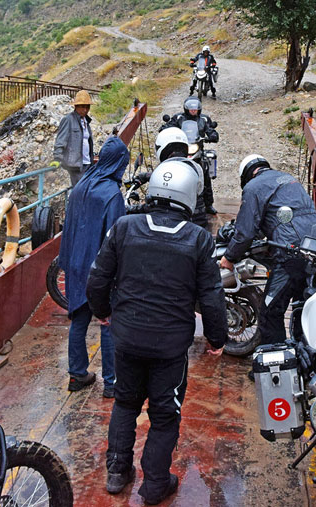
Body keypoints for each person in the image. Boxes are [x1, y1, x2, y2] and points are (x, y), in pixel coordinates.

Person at [87, 159, 227, 504]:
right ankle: (155, 485)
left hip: (127, 337)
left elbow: (98, 278)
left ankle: (117, 472)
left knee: (125, 402)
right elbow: (211, 295)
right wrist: (216, 338)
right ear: (187, 196)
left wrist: (103, 312)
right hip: (169, 346)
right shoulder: (197, 238)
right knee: (165, 415)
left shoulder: (124, 227)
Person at [220, 154, 316, 345]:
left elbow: (246, 232)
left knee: (270, 311)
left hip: (293, 252)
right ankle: (301, 356)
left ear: (247, 175)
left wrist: (230, 257)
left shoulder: (253, 187)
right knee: (303, 306)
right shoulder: (290, 180)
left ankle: (274, 365)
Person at [56, 137, 128, 398]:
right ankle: (112, 383)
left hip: (75, 265)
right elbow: (115, 239)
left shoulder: (79, 186)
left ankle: (77, 374)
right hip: (99, 270)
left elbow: (69, 230)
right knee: (108, 322)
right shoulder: (112, 194)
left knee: (79, 318)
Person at [164, 96, 218, 214]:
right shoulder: (179, 118)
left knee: (205, 174)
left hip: (197, 149)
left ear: (199, 109)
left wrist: (212, 135)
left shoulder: (204, 119)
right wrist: (164, 129)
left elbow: (210, 130)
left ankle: (208, 204)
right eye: (191, 109)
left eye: (196, 109)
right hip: (181, 150)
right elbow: (168, 126)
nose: (193, 111)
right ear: (186, 109)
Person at [154, 126, 208, 227]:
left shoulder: (161, 170)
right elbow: (200, 191)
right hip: (196, 220)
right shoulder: (196, 167)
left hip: (168, 221)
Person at [51, 90, 94, 186]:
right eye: (83, 106)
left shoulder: (86, 121)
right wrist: (57, 158)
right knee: (80, 192)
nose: (85, 109)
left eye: (87, 107)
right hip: (76, 165)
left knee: (86, 191)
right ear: (76, 106)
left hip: (87, 163)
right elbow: (60, 141)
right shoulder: (68, 120)